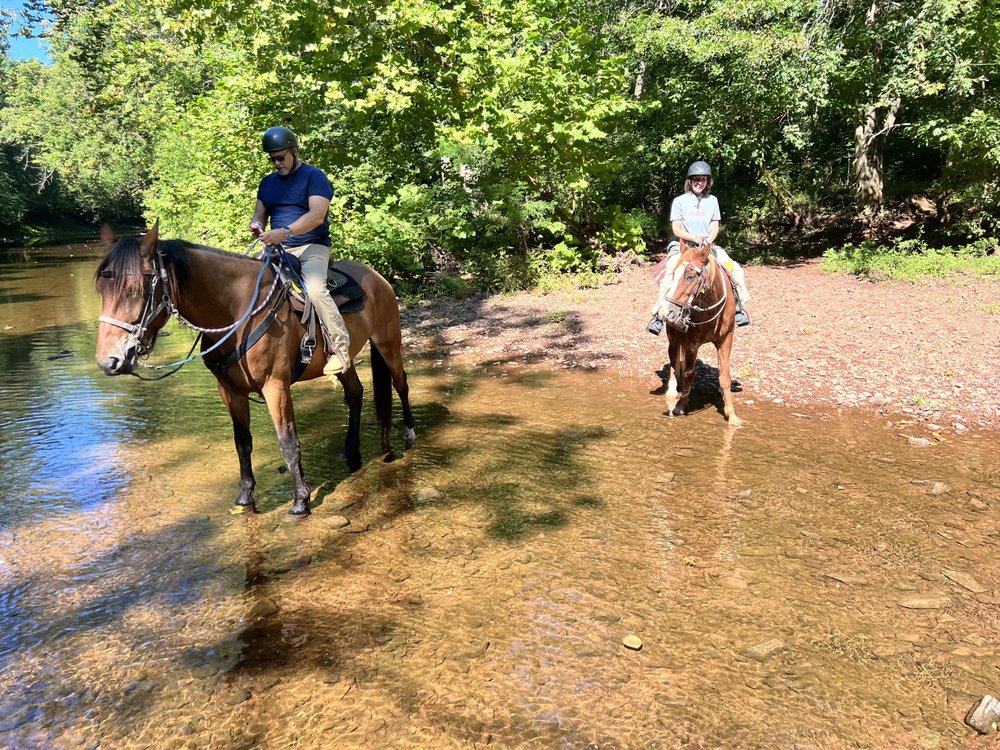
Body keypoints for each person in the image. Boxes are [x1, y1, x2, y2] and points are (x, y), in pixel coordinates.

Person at [250, 126, 351, 380]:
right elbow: (259, 213)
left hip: (311, 247)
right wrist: (257, 224)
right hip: (277, 250)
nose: (277, 163)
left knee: (315, 290)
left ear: (294, 151)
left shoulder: (314, 177)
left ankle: (340, 349)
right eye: (272, 159)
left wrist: (284, 233)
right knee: (248, 286)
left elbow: (317, 216)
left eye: (281, 157)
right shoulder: (267, 183)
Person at [647, 160, 751, 334]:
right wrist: (693, 237)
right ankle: (659, 314)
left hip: (706, 249)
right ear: (690, 181)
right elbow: (676, 229)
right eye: (696, 179)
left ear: (707, 181)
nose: (699, 183)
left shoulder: (712, 200)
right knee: (670, 274)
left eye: (703, 179)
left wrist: (708, 241)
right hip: (684, 248)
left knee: (734, 269)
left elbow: (715, 226)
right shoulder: (680, 201)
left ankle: (739, 307)